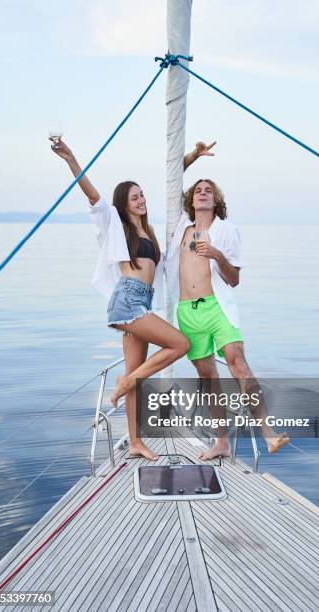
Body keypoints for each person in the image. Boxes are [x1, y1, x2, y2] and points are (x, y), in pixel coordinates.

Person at [51, 138, 198, 460]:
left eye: (143, 195)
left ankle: (135, 442)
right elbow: (93, 196)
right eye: (135, 197)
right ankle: (125, 380)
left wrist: (190, 158)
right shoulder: (114, 223)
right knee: (180, 345)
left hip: (141, 302)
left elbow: (175, 189)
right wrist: (71, 159)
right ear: (124, 203)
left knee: (138, 379)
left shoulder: (149, 232)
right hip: (127, 301)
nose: (142, 200)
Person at [167, 142, 290, 459]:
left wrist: (218, 255)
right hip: (187, 311)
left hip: (216, 307)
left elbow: (234, 279)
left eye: (208, 190)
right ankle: (221, 442)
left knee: (238, 363)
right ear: (191, 199)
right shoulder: (181, 227)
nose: (202, 192)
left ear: (216, 199)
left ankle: (269, 434)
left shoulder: (226, 230)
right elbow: (171, 174)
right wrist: (192, 157)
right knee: (208, 377)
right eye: (198, 189)